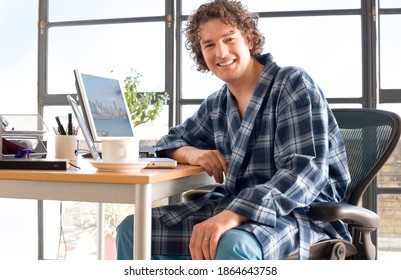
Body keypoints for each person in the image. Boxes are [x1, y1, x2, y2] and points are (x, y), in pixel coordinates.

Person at [116, 0, 351, 260]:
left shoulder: (292, 84)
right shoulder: (217, 104)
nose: (221, 52)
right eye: (209, 45)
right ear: (202, 55)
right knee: (133, 230)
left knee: (233, 244)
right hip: (233, 209)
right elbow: (163, 145)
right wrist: (191, 153)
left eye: (229, 39)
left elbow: (305, 172)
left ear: (249, 40)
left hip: (301, 213)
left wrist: (233, 214)